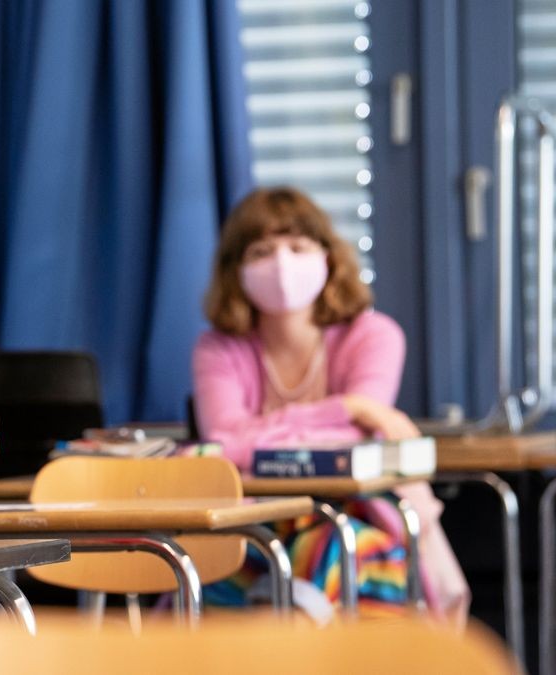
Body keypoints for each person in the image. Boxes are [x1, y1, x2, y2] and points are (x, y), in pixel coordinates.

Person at [192, 186, 468, 622]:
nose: (281, 263)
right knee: (225, 570)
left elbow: (354, 444)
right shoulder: (218, 349)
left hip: (368, 521)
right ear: (236, 270)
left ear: (328, 256)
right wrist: (347, 407)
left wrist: (261, 435)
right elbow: (223, 439)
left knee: (325, 552)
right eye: (261, 250)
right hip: (257, 522)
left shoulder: (374, 337)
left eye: (298, 246)